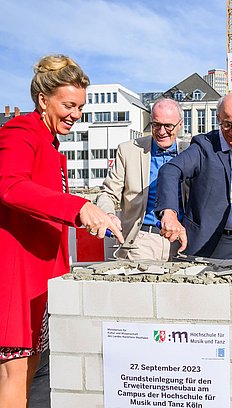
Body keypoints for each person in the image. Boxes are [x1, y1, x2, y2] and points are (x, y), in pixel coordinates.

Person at [0, 54, 123, 407]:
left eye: (80, 107)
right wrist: (80, 207)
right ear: (43, 99)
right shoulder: (21, 131)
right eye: (69, 105)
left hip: (39, 273)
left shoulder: (49, 143)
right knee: (15, 369)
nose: (76, 115)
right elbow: (10, 186)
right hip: (17, 272)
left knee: (31, 365)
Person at [155, 92, 232, 260]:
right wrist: (169, 213)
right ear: (218, 118)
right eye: (226, 124)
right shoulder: (204, 147)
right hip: (217, 242)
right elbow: (170, 170)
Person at [96, 98, 189, 260]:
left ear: (180, 124)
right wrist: (108, 214)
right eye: (156, 125)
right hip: (141, 241)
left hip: (183, 241)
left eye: (168, 126)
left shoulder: (190, 151)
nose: (161, 131)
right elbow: (108, 194)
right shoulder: (128, 151)